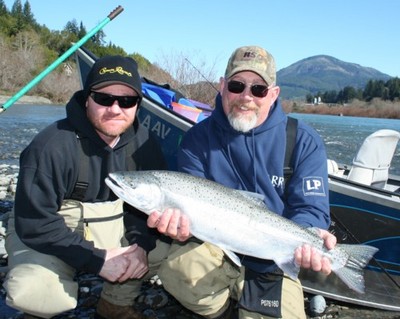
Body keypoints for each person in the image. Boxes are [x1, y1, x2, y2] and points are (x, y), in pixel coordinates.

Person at [147, 45, 336, 319]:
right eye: (237, 85)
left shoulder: (302, 141)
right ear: (223, 86)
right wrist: (179, 228)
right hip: (216, 249)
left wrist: (311, 234)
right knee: (178, 271)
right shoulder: (197, 139)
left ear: (273, 94)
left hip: (273, 259)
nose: (246, 97)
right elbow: (187, 208)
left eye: (258, 89)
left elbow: (312, 209)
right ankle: (222, 312)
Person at [4, 55, 166, 319]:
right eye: (104, 99)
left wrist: (140, 247)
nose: (115, 109)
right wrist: (98, 260)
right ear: (87, 99)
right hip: (49, 232)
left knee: (178, 253)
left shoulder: (146, 144)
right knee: (35, 292)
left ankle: (115, 304)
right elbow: (35, 222)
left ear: (138, 105)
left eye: (127, 101)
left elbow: (145, 210)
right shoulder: (50, 147)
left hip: (111, 227)